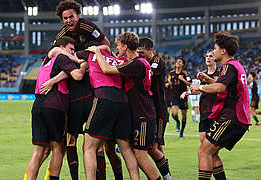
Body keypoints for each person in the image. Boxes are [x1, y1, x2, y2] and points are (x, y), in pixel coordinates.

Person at [89, 32, 162, 180]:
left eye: (119, 45)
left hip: (143, 114)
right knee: (136, 153)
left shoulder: (135, 64)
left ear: (126, 46)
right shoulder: (138, 62)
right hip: (140, 112)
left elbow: (107, 69)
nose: (117, 47)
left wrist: (98, 51)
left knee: (141, 156)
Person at [54, 1, 111, 179]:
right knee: (72, 140)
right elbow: (54, 56)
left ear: (78, 15)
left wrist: (86, 55)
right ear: (62, 19)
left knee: (96, 142)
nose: (69, 20)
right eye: (65, 18)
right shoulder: (61, 36)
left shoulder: (89, 27)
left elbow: (107, 45)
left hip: (93, 84)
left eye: (72, 16)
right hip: (75, 86)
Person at [25, 36, 88, 180]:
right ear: (63, 47)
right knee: (58, 148)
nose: (73, 52)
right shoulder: (62, 58)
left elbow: (61, 68)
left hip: (38, 105)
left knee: (38, 151)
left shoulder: (46, 62)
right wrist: (82, 64)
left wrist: (54, 80)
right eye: (71, 49)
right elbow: (77, 76)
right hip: (54, 105)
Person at [190, 31, 251, 180]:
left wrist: (200, 87)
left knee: (203, 152)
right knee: (212, 152)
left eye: (215, 48)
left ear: (223, 51)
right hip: (238, 118)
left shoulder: (227, 67)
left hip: (231, 117)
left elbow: (220, 88)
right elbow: (224, 85)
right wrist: (208, 80)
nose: (213, 51)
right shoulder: (236, 65)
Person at [137, 37, 172, 180]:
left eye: (142, 52)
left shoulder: (157, 62)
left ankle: (165, 176)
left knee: (154, 147)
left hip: (158, 111)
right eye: (137, 52)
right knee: (157, 148)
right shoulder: (141, 62)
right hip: (147, 111)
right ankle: (166, 176)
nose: (139, 55)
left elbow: (148, 75)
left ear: (150, 50)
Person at [168, 57, 192, 138]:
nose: (177, 63)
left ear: (182, 64)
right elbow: (168, 83)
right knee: (174, 113)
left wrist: (183, 80)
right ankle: (177, 122)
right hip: (174, 96)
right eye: (177, 61)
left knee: (184, 116)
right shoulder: (171, 73)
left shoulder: (185, 74)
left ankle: (181, 132)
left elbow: (190, 84)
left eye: (180, 62)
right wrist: (168, 83)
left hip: (183, 96)